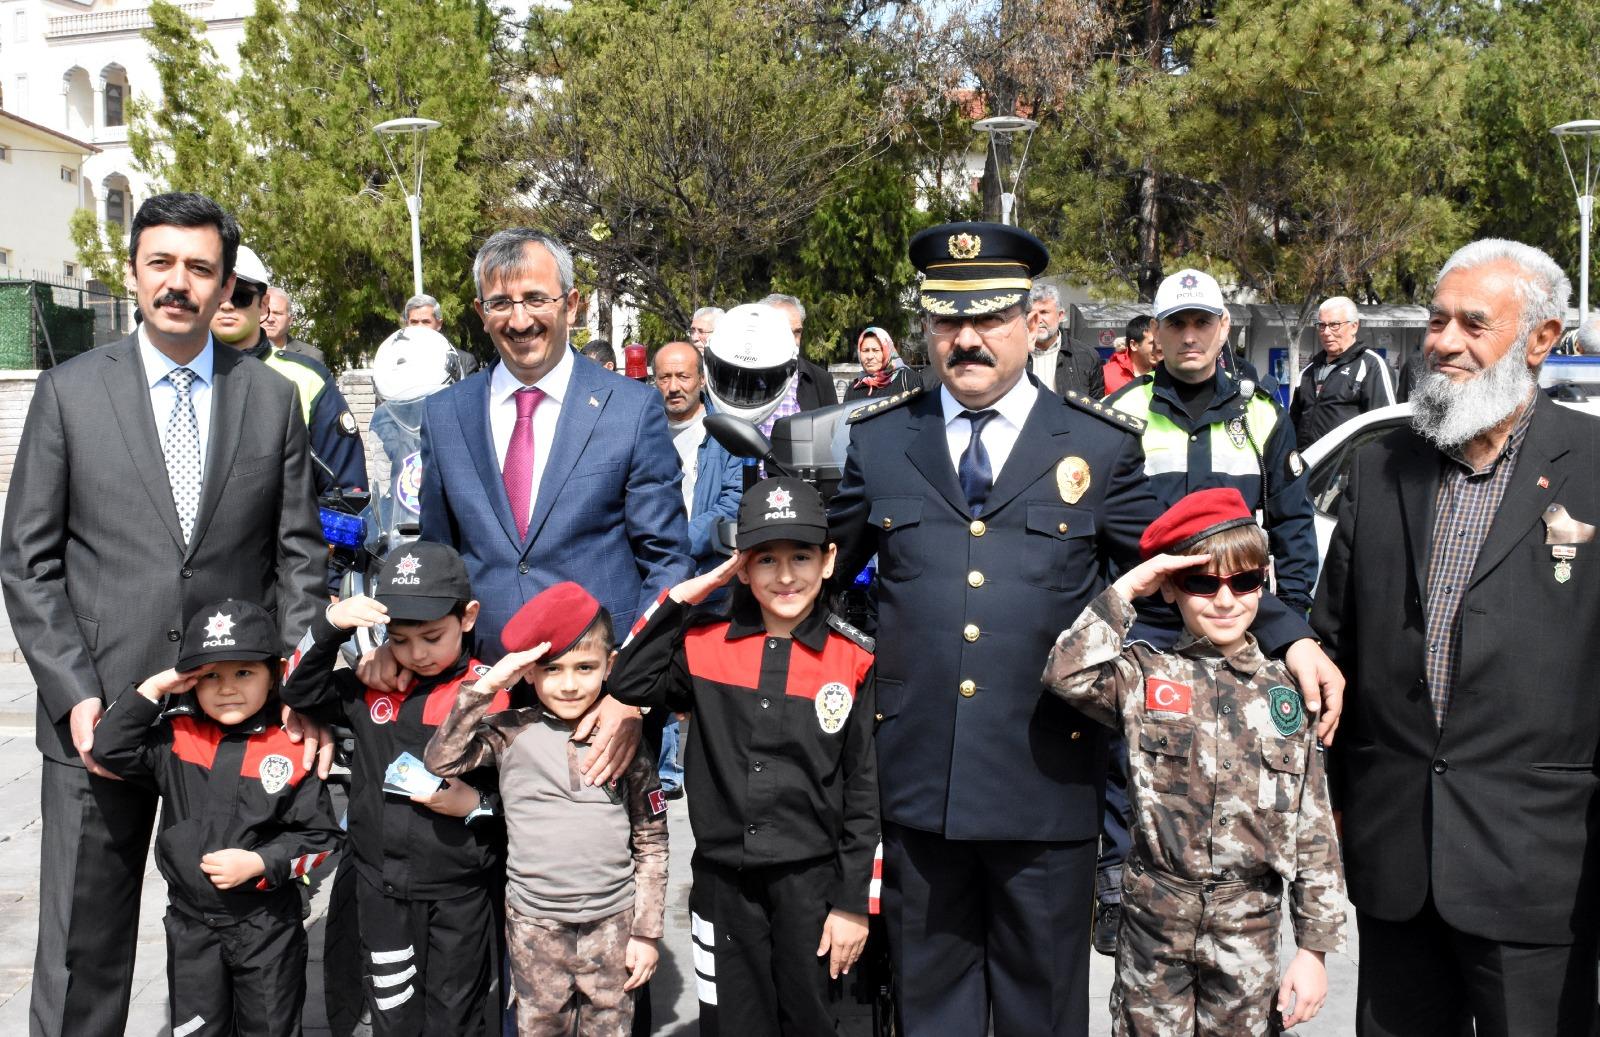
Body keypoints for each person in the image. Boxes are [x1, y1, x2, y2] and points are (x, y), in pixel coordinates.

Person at [827, 222, 1341, 1037]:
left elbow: (1183, 558)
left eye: (989, 317)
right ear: (925, 326)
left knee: (1044, 1015)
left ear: (1031, 320)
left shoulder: (1096, 447)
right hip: (920, 787)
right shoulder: (882, 440)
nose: (966, 340)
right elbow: (812, 574)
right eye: (946, 321)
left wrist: (1291, 634)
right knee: (931, 1018)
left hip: (1045, 786)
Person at [1, 191, 329, 1037]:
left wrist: (297, 689)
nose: (179, 283)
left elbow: (298, 557)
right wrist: (73, 690)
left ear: (226, 284)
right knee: (84, 949)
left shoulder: (268, 398)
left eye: (199, 267)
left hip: (234, 721)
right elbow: (28, 561)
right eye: (162, 264)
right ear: (134, 271)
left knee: (240, 939)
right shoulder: (70, 393)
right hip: (102, 719)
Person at [1314, 239, 1600, 1037]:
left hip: (1538, 873)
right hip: (1397, 861)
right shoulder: (1381, 468)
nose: (1443, 340)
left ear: (1541, 338)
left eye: (1474, 323)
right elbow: (1329, 639)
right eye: (1437, 319)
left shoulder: (1595, 466)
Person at [1043, 488, 1346, 1035]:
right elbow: (1066, 673)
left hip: (1248, 927)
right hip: (1155, 925)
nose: (1225, 600)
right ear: (1173, 591)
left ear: (1266, 581)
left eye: (1244, 582)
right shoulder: (1144, 675)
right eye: (1203, 584)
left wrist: (1315, 950)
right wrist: (1132, 585)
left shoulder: (1287, 692)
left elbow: (1314, 830)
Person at [609, 477, 878, 1036]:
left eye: (801, 557)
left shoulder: (852, 660)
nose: (784, 576)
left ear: (829, 561)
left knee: (812, 1020)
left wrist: (853, 903)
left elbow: (864, 791)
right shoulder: (704, 645)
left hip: (813, 885)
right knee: (730, 1023)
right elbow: (630, 678)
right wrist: (687, 596)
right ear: (742, 567)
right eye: (765, 560)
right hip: (721, 886)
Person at [279, 542, 507, 1037]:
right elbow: (296, 691)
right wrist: (329, 625)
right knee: (392, 1014)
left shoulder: (494, 694)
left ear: (468, 617)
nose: (417, 653)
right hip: (379, 891)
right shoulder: (371, 687)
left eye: (431, 637)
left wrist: (479, 805)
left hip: (460, 894)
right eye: (399, 640)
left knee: (456, 1018)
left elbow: (526, 797)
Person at [426, 581, 668, 1037]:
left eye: (586, 667)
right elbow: (442, 759)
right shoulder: (508, 732)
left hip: (612, 925)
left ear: (609, 665)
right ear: (530, 673)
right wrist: (489, 684)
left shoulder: (625, 737)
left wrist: (647, 931)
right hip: (534, 926)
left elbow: (652, 838)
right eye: (552, 669)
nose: (571, 683)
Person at [91, 600, 342, 1037]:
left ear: (275, 674)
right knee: (194, 1029)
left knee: (270, 1027)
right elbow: (107, 748)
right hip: (191, 929)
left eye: (244, 673)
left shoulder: (291, 746)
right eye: (210, 676)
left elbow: (321, 839)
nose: (227, 688)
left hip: (266, 929)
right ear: (190, 680)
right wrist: (155, 687)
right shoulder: (176, 737)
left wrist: (264, 864)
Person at [651, 339, 743, 795]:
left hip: (709, 578)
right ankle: (665, 774)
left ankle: (714, 769)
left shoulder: (723, 434)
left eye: (683, 376)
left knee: (709, 675)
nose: (673, 387)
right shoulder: (642, 429)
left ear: (701, 379)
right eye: (664, 377)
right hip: (654, 575)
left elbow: (731, 503)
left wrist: (676, 542)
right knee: (659, 667)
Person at [213, 245, 368, 495]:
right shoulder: (179, 373)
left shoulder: (308, 379)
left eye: (240, 296)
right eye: (219, 294)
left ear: (263, 306)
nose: (227, 306)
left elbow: (345, 492)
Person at [1289, 296, 1396, 448]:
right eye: (1321, 325)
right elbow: (1294, 422)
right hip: (1307, 465)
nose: (1326, 332)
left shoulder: (1372, 366)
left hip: (1347, 468)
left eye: (1334, 325)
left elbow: (1386, 427)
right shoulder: (1308, 371)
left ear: (1354, 326)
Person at [761, 292, 841, 410]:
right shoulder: (738, 375)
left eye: (797, 332)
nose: (794, 341)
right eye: (784, 331)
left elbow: (833, 426)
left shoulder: (821, 380)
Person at [1027, 282, 1105, 397]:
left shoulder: (1087, 357)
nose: (1037, 319)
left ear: (1060, 315)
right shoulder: (1012, 356)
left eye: (1044, 312)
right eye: (1030, 313)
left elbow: (1096, 407)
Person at [844, 326, 916, 400]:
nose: (870, 357)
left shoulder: (908, 380)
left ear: (887, 351)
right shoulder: (854, 388)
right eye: (865, 350)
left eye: (876, 350)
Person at [262, 285, 327, 367]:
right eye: (265, 313)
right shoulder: (242, 352)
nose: (270, 319)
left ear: (290, 320)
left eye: (277, 313)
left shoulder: (312, 356)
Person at [1103, 315, 1158, 396]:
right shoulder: (1106, 374)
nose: (1160, 347)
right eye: (1152, 343)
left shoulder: (1167, 374)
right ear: (1134, 345)